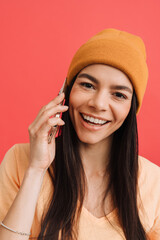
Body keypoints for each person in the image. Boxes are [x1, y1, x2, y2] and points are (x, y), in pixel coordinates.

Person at [0, 28, 160, 240]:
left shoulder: (154, 183)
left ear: (131, 108)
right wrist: (36, 170)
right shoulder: (20, 161)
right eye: (87, 85)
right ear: (66, 91)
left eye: (119, 94)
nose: (98, 104)